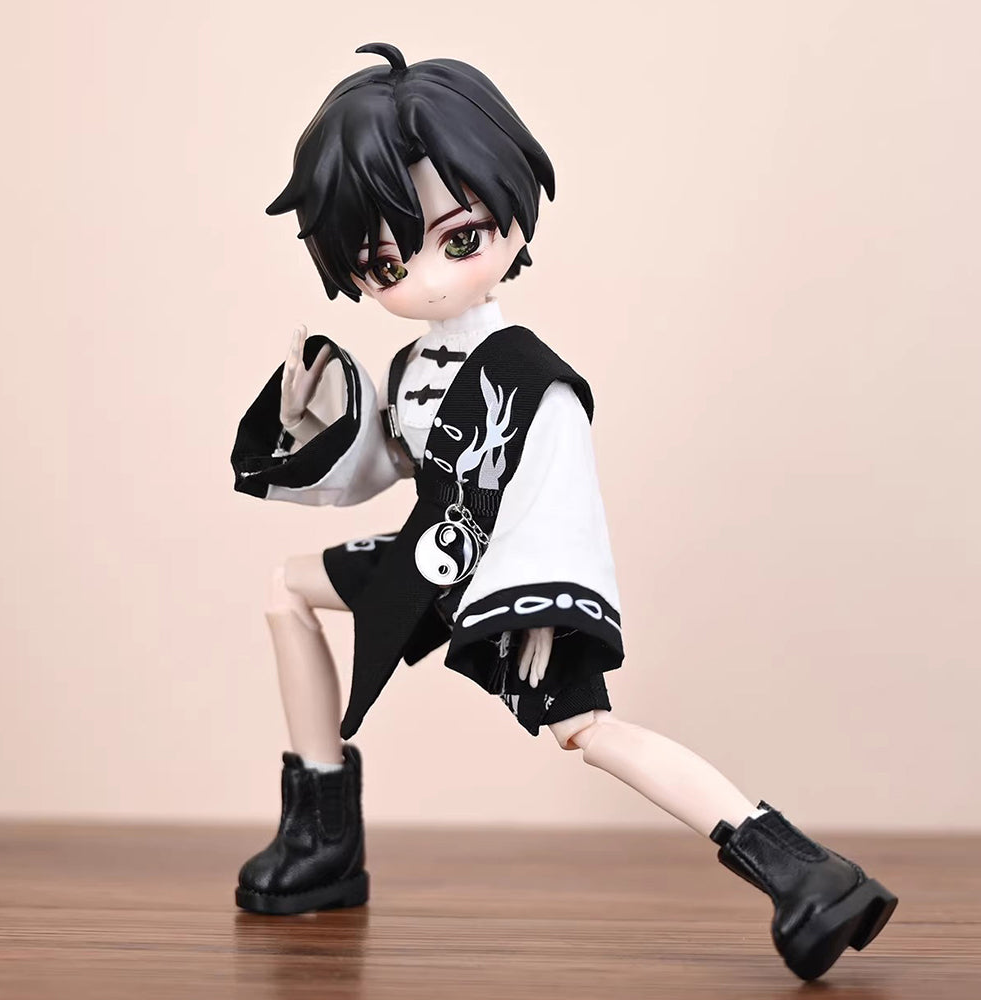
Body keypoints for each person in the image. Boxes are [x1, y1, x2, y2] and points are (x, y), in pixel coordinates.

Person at [229, 42, 896, 981]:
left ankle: (801, 871)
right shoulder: (416, 366)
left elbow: (559, 496)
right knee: (289, 588)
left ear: (508, 217)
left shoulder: (530, 376)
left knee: (588, 732)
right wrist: (315, 414)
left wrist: (545, 603)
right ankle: (322, 836)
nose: (426, 277)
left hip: (507, 580)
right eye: (385, 262)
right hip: (431, 560)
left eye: (459, 239)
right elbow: (392, 465)